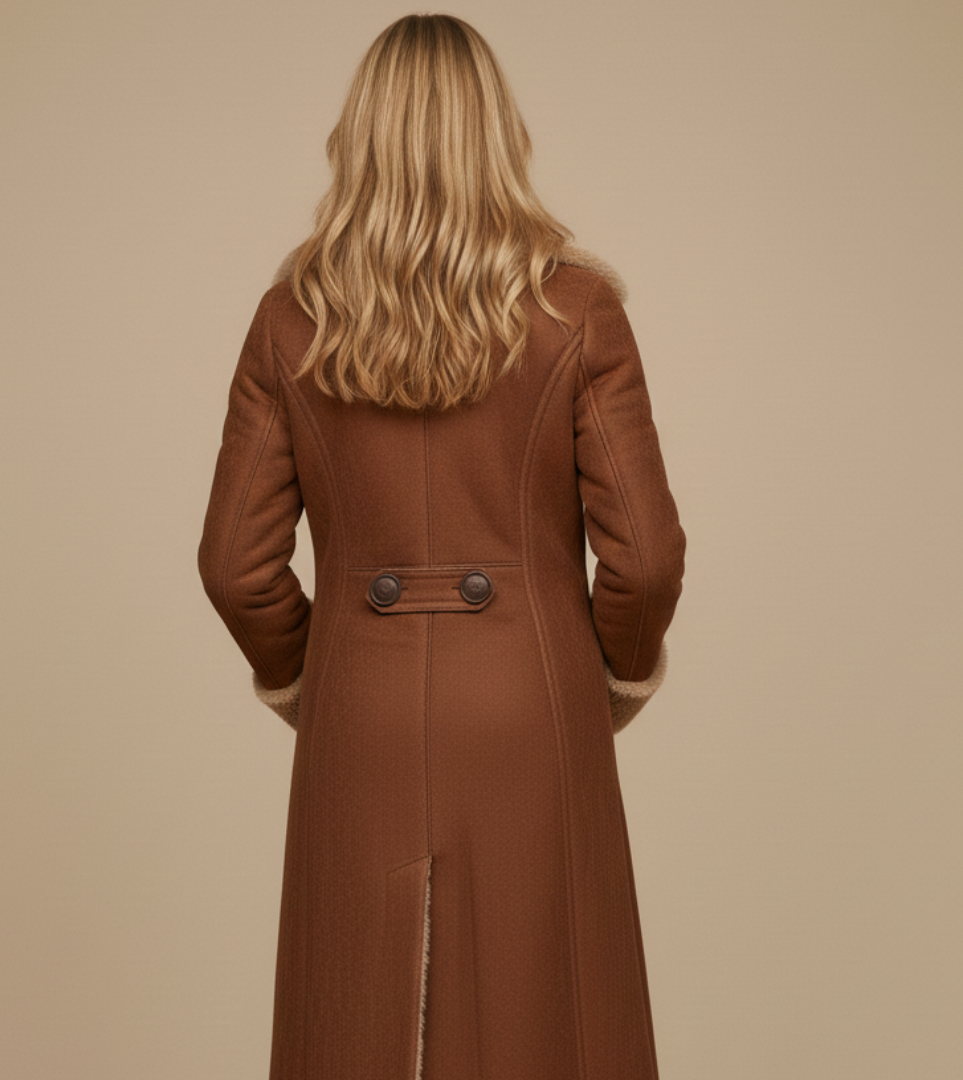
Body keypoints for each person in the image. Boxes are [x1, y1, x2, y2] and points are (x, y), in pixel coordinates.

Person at [198, 13, 686, 1080]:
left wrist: (317, 675)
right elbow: (644, 557)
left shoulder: (291, 320)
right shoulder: (577, 311)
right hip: (532, 710)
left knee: (353, 1030)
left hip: (361, 715)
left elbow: (235, 565)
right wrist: (607, 675)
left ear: (356, 139)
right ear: (500, 135)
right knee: (549, 1026)